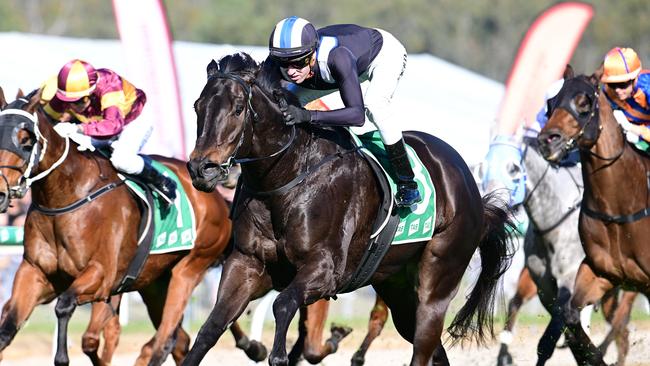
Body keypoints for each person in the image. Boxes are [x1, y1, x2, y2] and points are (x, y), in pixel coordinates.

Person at [266, 16, 421, 207]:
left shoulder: (337, 57)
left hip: (381, 55)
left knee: (375, 105)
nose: (290, 71)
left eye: (297, 63)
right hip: (335, 67)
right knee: (286, 104)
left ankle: (408, 182)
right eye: (284, 63)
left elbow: (357, 116)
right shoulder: (279, 59)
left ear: (312, 55)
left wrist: (307, 116)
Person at [41, 59, 177, 204]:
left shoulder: (109, 83)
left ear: (91, 91)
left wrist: (78, 128)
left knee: (122, 160)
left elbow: (113, 126)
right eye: (68, 101)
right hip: (100, 125)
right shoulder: (69, 93)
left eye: (79, 101)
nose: (73, 106)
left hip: (131, 121)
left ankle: (162, 181)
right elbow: (45, 116)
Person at [601, 47, 650, 142]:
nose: (617, 90)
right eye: (612, 84)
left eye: (622, 84)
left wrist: (634, 129)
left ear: (634, 79)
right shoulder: (608, 91)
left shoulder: (647, 87)